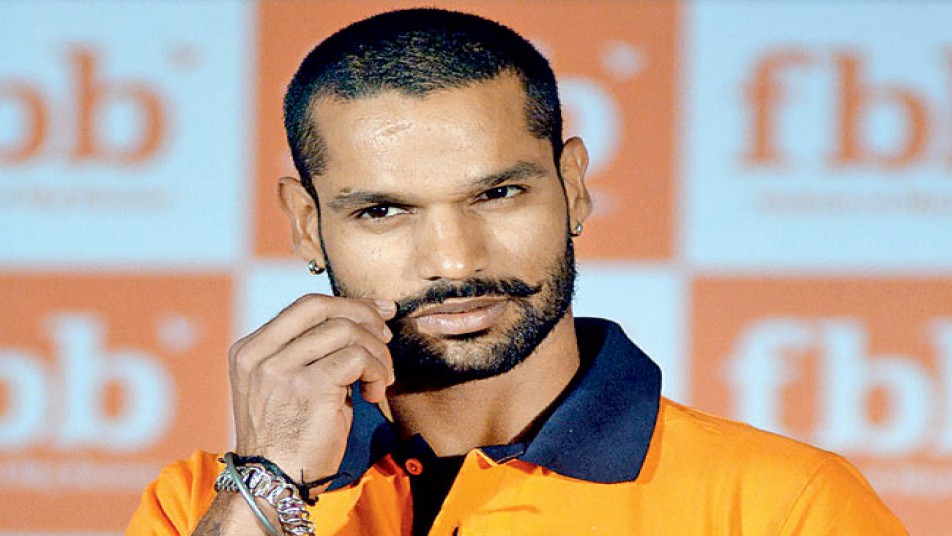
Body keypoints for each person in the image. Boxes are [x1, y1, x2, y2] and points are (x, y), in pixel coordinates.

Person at [127, 8, 907, 535]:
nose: (453, 259)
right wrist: (268, 488)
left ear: (573, 187)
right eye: (384, 211)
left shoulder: (783, 507)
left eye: (497, 194)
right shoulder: (202, 505)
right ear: (308, 224)